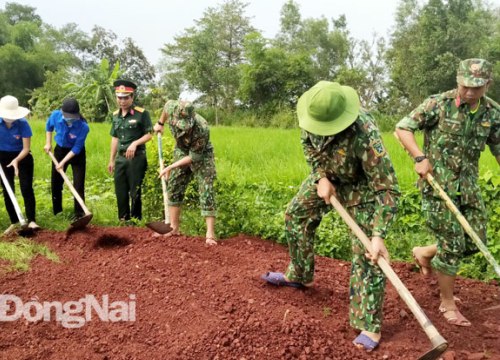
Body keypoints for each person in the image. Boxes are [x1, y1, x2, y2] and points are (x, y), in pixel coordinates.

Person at [261, 81, 400, 351]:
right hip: (327, 179)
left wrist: (378, 234)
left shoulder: (365, 135)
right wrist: (321, 177)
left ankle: (369, 324)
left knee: (367, 250)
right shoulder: (310, 117)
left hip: (361, 187)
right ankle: (300, 275)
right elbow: (309, 149)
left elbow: (387, 187)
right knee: (296, 214)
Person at [395, 58, 500, 327]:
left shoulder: (492, 114)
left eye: (476, 87)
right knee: (453, 244)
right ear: (458, 81)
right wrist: (419, 157)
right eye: (465, 86)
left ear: (487, 84)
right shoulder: (437, 104)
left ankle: (425, 252)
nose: (469, 92)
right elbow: (402, 127)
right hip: (437, 185)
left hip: (468, 186)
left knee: (477, 239)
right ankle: (447, 303)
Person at [153, 100, 217, 245]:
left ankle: (210, 234)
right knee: (174, 185)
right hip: (181, 150)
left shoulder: (202, 128)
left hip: (202, 155)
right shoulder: (171, 106)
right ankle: (173, 227)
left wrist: (170, 167)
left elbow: (194, 157)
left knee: (206, 189)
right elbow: (165, 109)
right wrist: (160, 123)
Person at [108, 79, 152, 221]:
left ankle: (135, 220)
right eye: (119, 98)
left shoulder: (141, 114)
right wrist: (112, 160)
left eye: (126, 97)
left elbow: (149, 134)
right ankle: (123, 219)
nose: (122, 101)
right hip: (121, 158)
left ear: (132, 97)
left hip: (136, 158)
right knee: (120, 190)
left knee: (135, 191)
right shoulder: (115, 115)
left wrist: (135, 143)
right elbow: (114, 138)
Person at [44, 98, 90, 219]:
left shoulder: (83, 127)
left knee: (78, 184)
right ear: (61, 111)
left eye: (72, 117)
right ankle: (57, 212)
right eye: (67, 116)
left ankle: (79, 214)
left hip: (76, 155)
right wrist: (48, 143)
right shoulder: (56, 115)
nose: (69, 118)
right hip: (60, 151)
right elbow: (48, 127)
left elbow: (77, 148)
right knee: (56, 183)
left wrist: (62, 163)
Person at [0, 95, 39, 234]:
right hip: (2, 157)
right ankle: (14, 221)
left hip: (22, 156)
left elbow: (26, 148)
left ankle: (32, 220)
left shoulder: (23, 124)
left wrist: (16, 160)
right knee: (7, 189)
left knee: (26, 187)